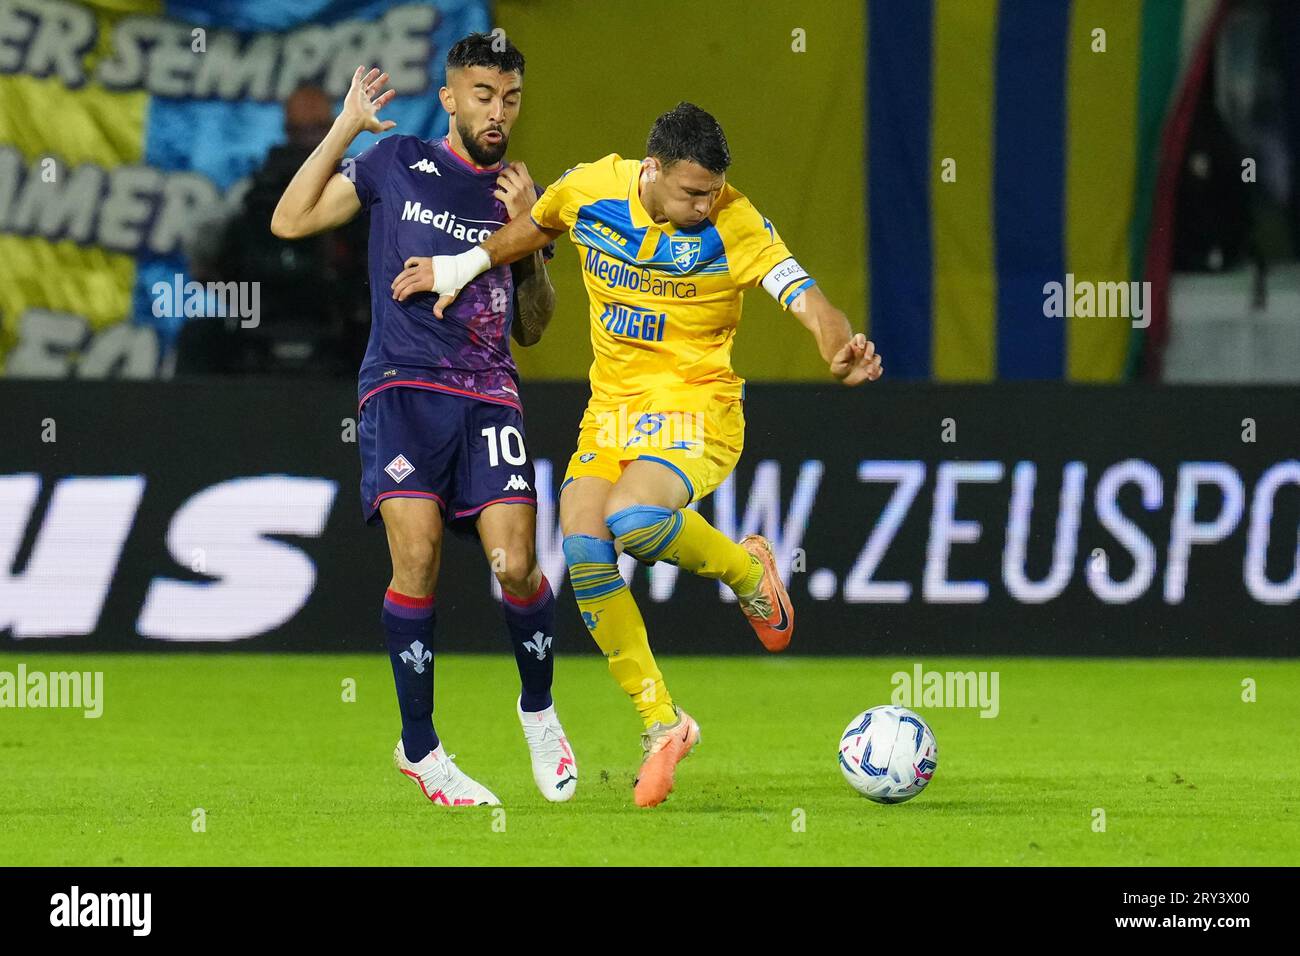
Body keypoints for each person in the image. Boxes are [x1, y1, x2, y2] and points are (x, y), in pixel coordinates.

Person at [392, 102, 882, 807]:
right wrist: (459, 265)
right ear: (650, 170)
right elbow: (537, 226)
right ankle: (661, 723)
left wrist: (839, 344)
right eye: (691, 192)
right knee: (584, 548)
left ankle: (748, 572)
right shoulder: (594, 188)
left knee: (631, 521)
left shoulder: (735, 222)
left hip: (697, 408)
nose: (705, 204)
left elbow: (806, 299)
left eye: (713, 191)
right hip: (611, 416)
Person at [271, 34, 576, 807]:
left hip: (489, 392)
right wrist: (345, 125)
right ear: (449, 98)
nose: (497, 110)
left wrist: (532, 240)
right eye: (481, 94)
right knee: (418, 561)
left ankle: (538, 710)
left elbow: (535, 327)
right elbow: (290, 220)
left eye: (509, 97)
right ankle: (421, 749)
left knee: (516, 566)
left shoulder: (517, 194)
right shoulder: (398, 162)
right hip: (403, 388)